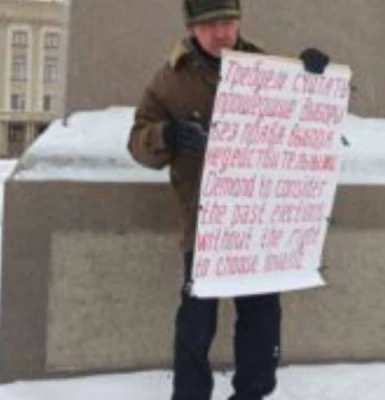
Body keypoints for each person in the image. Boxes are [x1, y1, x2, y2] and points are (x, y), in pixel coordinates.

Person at [127, 1, 329, 399]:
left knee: (262, 319)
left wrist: (314, 77)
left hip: (258, 223)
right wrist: (167, 136)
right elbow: (137, 143)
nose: (222, 33)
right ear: (192, 28)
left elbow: (307, 118)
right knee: (196, 324)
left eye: (228, 22)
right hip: (204, 225)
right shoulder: (170, 79)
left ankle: (252, 393)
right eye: (210, 25)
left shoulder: (269, 68)